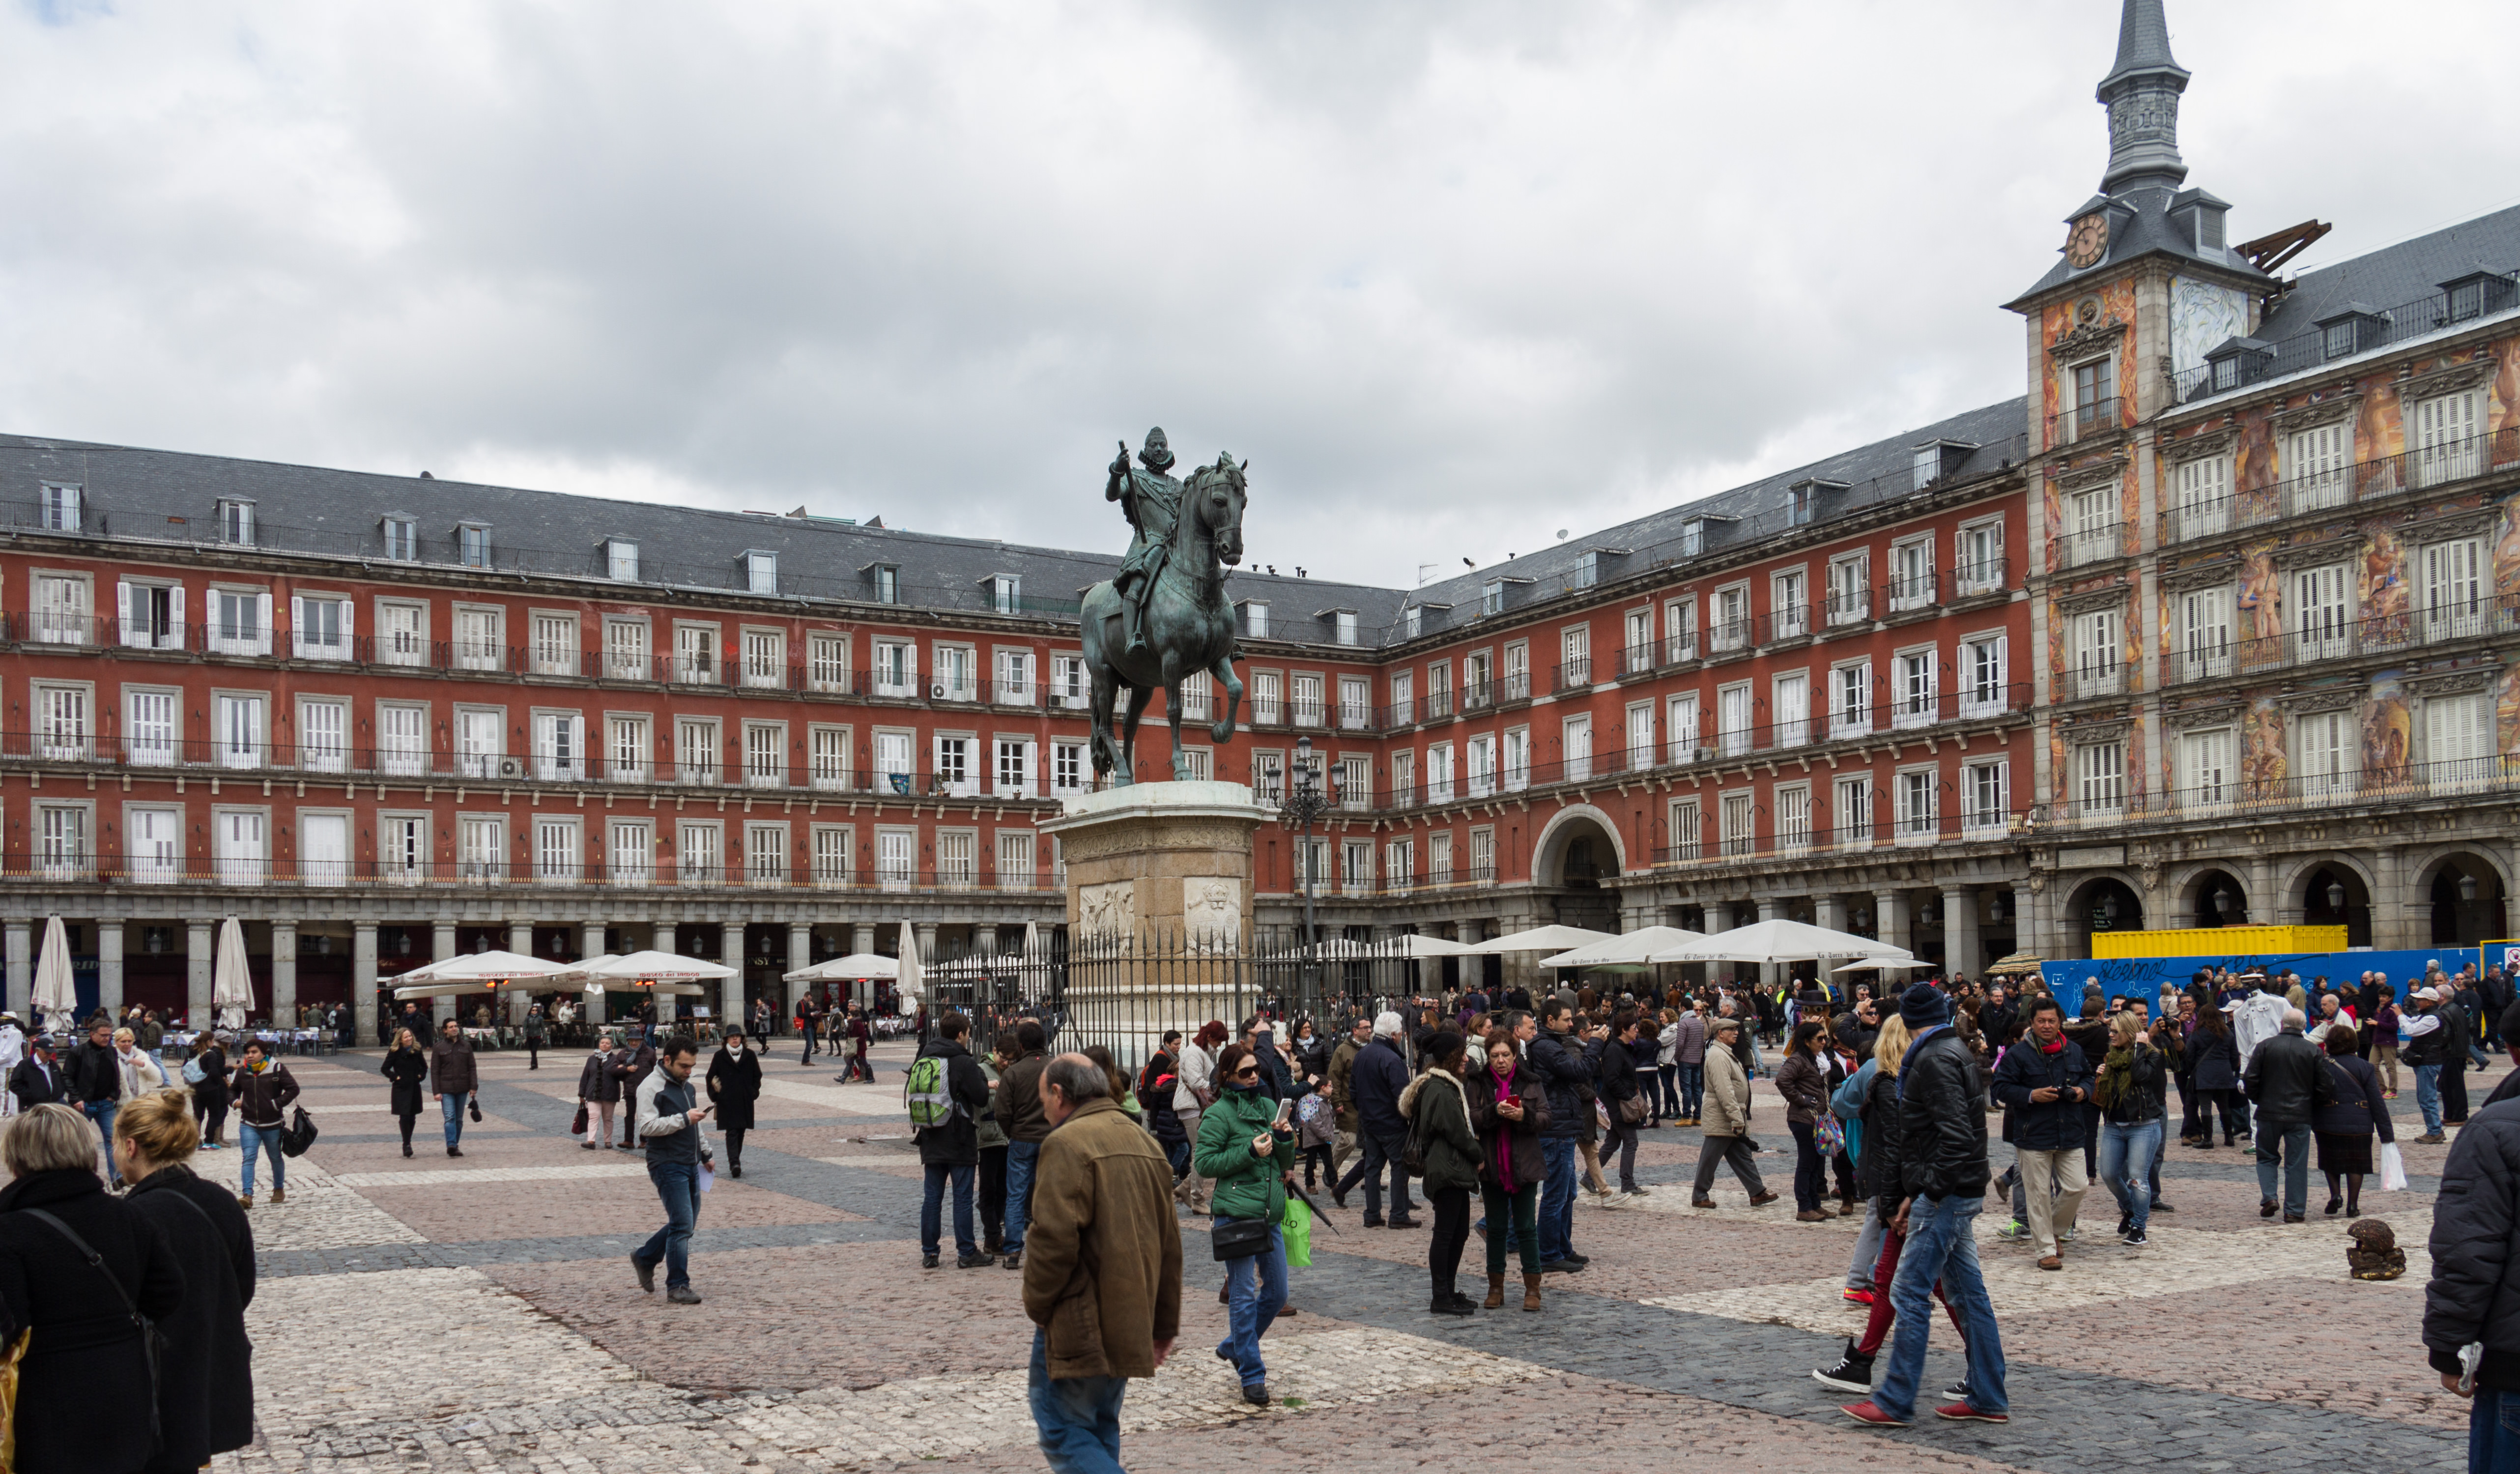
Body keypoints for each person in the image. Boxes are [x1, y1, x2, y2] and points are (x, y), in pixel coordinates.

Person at [1844, 983, 2007, 1428]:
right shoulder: (1952, 1049)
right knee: (1968, 1295)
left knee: (1908, 1291)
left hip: (1947, 1194)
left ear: (1909, 1021)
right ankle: (1988, 1395)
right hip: (1954, 1188)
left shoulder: (1933, 1058)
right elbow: (1948, 1135)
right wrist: (1918, 1192)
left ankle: (1896, 1398)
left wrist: (1927, 1192)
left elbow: (1955, 1136)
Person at [0, 1102, 188, 1474]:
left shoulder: (10, 1231)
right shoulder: (128, 1214)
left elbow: (9, 1323)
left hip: (47, 1399)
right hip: (125, 1386)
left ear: (18, 1158)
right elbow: (169, 1289)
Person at [1023, 1052, 1182, 1472]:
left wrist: (1038, 1304)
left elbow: (1053, 1240)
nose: (1043, 1110)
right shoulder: (1144, 1141)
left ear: (1059, 1093)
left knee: (1062, 1429)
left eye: (1043, 1099)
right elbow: (1170, 1246)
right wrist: (1163, 1324)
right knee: (1099, 1427)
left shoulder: (1067, 1142)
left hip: (1080, 1317)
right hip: (1130, 1316)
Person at [115, 1089, 257, 1474]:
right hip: (210, 1365)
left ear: (131, 1146)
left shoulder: (132, 1216)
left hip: (153, 1379)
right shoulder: (221, 1200)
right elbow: (242, 1287)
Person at [1195, 1041, 1293, 1407]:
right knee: (1242, 1294)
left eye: (1257, 1070)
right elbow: (1205, 1163)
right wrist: (1249, 1151)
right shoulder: (1218, 1114)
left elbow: (1284, 1159)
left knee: (1278, 1292)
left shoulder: (1267, 1106)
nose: (1254, 1077)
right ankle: (1252, 1373)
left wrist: (1284, 1138)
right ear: (1227, 1076)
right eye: (1245, 1072)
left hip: (1268, 1212)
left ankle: (1235, 1346)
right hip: (1236, 1213)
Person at [1990, 997, 2090, 1272]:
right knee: (2038, 1196)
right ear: (2032, 1023)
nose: (2047, 1026)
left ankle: (2054, 1229)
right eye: (2041, 1021)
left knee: (2078, 1186)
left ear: (2060, 1022)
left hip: (2070, 1131)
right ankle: (2046, 1250)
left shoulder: (2074, 1051)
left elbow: (2088, 1077)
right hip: (2033, 1134)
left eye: (2052, 1021)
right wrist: (2031, 1095)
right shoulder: (2018, 1055)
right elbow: (2000, 1088)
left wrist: (2083, 1090)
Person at [1466, 1026, 1550, 1311]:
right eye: (1495, 1056)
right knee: (1496, 1228)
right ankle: (1495, 1287)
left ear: (1515, 1055)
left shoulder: (1531, 1082)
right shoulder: (1477, 1083)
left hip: (1525, 1163)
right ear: (1488, 1057)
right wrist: (1494, 1111)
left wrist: (1523, 1115)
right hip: (1492, 1165)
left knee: (1526, 1227)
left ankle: (1533, 1289)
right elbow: (1472, 1118)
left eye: (1505, 1055)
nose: (1500, 1060)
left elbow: (1546, 1117)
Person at [629, 1036, 714, 1304]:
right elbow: (646, 1127)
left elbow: (695, 1123)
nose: (689, 1071)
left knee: (684, 1224)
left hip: (690, 1163)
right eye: (684, 1066)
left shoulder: (687, 1087)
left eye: (692, 1066)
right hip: (666, 1164)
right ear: (667, 1060)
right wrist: (684, 1119)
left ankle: (645, 1257)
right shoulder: (650, 1087)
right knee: (682, 1225)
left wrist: (705, 1153)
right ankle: (678, 1286)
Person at [1403, 1031, 1480, 1316]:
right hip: (1447, 1168)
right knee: (1446, 1234)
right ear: (1449, 1058)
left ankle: (1449, 1290)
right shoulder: (1440, 1089)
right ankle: (1440, 1297)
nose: (1466, 1059)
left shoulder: (1446, 1085)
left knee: (1459, 1233)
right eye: (1461, 1054)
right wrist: (1478, 1154)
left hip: (1453, 1167)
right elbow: (1456, 1132)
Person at [910, 1011, 994, 1270]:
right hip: (959, 1137)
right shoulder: (963, 1062)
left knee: (932, 1198)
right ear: (960, 1035)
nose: (969, 1037)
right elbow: (981, 1097)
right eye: (968, 1033)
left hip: (931, 1135)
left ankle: (930, 1253)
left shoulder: (925, 1056)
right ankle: (966, 1252)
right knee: (962, 1198)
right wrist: (983, 1080)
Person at [2244, 1007, 2337, 1224]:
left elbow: (2251, 1078)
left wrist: (2259, 1099)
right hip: (2300, 1114)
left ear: (2282, 1024)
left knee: (2266, 1156)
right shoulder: (2312, 1051)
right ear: (2304, 1027)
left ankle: (2270, 1197)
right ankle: (2294, 1210)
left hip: (2269, 1111)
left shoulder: (2265, 1046)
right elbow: (2326, 1084)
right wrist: (2313, 1103)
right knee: (2296, 1163)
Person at [1334, 1011, 1418, 1229]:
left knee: (1373, 1167)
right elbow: (1403, 1096)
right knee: (1399, 1167)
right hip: (1391, 1124)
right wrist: (1406, 1117)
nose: (1401, 1037)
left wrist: (1365, 1111)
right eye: (1400, 1034)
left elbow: (1353, 1091)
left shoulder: (1363, 1054)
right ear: (1393, 1035)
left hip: (1370, 1122)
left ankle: (1372, 1214)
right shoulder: (1392, 1059)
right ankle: (1398, 1214)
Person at [1526, 1001, 1592, 1267]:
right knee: (1556, 1195)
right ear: (1550, 1021)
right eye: (1567, 1020)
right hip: (1556, 1130)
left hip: (1563, 1127)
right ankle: (1549, 1254)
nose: (1572, 1024)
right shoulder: (1547, 1046)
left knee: (1568, 1194)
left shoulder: (1551, 1044)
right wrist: (1596, 1044)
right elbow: (1581, 1071)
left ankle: (1563, 1248)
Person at [2093, 1011, 2166, 1246]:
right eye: (2110, 1031)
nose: (2111, 1035)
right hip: (2115, 1125)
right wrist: (2101, 1076)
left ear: (2129, 1033)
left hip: (2143, 1126)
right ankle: (2130, 1209)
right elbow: (2104, 1095)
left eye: (2115, 1031)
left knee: (2137, 1179)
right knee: (2109, 1175)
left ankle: (2139, 1228)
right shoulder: (2111, 1058)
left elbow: (2139, 1075)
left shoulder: (2151, 1055)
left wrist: (2139, 1048)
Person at [1691, 1014, 1777, 1208]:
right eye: (1732, 1030)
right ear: (1721, 1033)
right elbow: (1725, 1090)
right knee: (1710, 1159)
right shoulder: (1718, 1056)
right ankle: (1699, 1195)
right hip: (1722, 1117)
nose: (1737, 1033)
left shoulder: (1724, 1053)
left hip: (1729, 1116)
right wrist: (1737, 1118)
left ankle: (1757, 1192)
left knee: (1742, 1155)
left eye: (1737, 1029)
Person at [2314, 1022, 2391, 1218]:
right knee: (2357, 1165)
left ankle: (2336, 1195)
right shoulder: (2365, 1067)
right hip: (2360, 1124)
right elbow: (2376, 1101)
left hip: (2328, 1121)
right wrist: (2387, 1134)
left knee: (2330, 1160)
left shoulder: (2323, 1065)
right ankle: (2353, 1205)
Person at [997, 1019, 1051, 1271]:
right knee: (1050, 1193)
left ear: (1020, 1046)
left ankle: (1013, 1250)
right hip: (1051, 1138)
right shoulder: (1057, 1068)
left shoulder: (1013, 1073)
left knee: (1016, 1195)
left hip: (1021, 1138)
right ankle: (1049, 1247)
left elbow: (1002, 1111)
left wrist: (1012, 1131)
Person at [1776, 1019, 1835, 1222]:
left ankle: (1815, 1205)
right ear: (1807, 1041)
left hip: (1817, 1119)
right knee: (1807, 1163)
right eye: (1819, 1039)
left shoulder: (1817, 1059)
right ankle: (1804, 1207)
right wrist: (1800, 1099)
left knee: (1817, 1164)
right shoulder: (1798, 1059)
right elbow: (1782, 1079)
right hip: (1803, 1119)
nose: (1824, 1042)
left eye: (1825, 1038)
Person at [229, 1039, 299, 1208]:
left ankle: (279, 1188)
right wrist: (234, 1102)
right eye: (248, 1053)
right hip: (249, 1123)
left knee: (275, 1157)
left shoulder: (276, 1069)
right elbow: (232, 1090)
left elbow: (293, 1089)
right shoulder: (243, 1071)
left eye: (254, 1052)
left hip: (272, 1124)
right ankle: (247, 1195)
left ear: (263, 1053)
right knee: (248, 1158)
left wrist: (276, 1104)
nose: (250, 1056)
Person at [63, 1016, 124, 1182]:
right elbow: (67, 1077)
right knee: (77, 1142)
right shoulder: (78, 1052)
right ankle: (76, 1178)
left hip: (106, 1104)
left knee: (113, 1140)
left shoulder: (111, 1051)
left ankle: (117, 1177)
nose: (107, 1038)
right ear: (92, 1034)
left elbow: (116, 1074)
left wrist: (115, 1094)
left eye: (109, 1035)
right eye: (103, 1035)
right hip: (83, 1104)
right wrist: (76, 1098)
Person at [1597, 1010, 1647, 1201]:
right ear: (1624, 1030)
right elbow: (1612, 1080)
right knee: (1631, 1142)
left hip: (1617, 1103)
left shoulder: (1623, 1048)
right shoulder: (1614, 1050)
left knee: (1612, 1142)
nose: (1637, 1030)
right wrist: (1628, 1098)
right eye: (1634, 1027)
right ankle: (1627, 1183)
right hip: (1617, 1105)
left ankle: (1589, 1178)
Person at [705, 1027, 763, 1179]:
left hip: (745, 1100)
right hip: (727, 1101)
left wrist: (753, 1092)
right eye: (732, 1037)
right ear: (726, 1040)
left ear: (742, 1038)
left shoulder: (749, 1055)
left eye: (737, 1036)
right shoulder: (720, 1056)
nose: (735, 1039)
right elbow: (710, 1077)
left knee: (741, 1132)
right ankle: (735, 1163)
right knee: (731, 1132)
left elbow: (757, 1075)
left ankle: (735, 1159)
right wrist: (715, 1096)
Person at [977, 1036, 1013, 1257]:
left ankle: (995, 1236)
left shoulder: (1011, 1072)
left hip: (1007, 1138)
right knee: (988, 1190)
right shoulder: (981, 1070)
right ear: (994, 1051)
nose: (1006, 1062)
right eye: (1003, 1058)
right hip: (989, 1139)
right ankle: (991, 1236)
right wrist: (986, 1086)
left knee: (1003, 1190)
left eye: (1011, 1059)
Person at [1324, 1014, 1369, 1184]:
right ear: (1355, 1030)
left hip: (1368, 1104)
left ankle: (1371, 1179)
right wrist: (1336, 1101)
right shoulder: (1342, 1051)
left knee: (1371, 1145)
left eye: (1370, 1027)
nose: (1369, 1031)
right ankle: (1331, 1170)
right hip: (1349, 1104)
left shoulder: (1371, 1048)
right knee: (1349, 1141)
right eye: (1365, 1028)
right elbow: (1334, 1077)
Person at [429, 1017, 479, 1158]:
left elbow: (472, 1067)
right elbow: (435, 1071)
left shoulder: (466, 1046)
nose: (454, 1029)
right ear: (445, 1030)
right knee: (450, 1117)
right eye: (451, 1027)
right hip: (446, 1088)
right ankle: (451, 1144)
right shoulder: (439, 1047)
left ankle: (455, 1145)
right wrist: (436, 1091)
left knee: (459, 1120)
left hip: (462, 1087)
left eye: (456, 1026)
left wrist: (473, 1087)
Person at [381, 1027, 429, 1158]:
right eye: (406, 1037)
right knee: (404, 1116)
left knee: (412, 1116)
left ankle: (408, 1141)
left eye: (410, 1036)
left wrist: (420, 1076)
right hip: (401, 1088)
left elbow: (424, 1067)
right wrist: (395, 1077)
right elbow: (385, 1068)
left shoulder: (417, 1050)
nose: (409, 1039)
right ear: (400, 1040)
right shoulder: (395, 1052)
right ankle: (406, 1144)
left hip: (414, 1087)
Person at [183, 1032, 230, 1151]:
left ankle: (194, 1140)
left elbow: (184, 1069)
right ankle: (209, 1141)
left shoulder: (191, 1053)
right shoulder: (210, 1054)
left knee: (198, 1115)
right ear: (209, 1041)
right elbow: (215, 1072)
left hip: (195, 1088)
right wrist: (219, 1083)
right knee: (214, 1115)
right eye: (213, 1041)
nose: (213, 1043)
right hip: (210, 1089)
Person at [9, 1033, 66, 1116]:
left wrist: (58, 1093)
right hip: (32, 1108)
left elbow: (61, 1082)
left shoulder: (53, 1065)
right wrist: (32, 1095)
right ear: (37, 1051)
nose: (49, 1055)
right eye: (47, 1053)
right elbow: (14, 1085)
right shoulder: (25, 1065)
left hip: (52, 1106)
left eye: (51, 1053)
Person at [522, 1002, 548, 1071]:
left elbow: (543, 1029)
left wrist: (544, 1038)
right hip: (530, 1036)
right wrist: (524, 1037)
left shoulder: (540, 1019)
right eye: (533, 1010)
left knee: (534, 1050)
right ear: (531, 1011)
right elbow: (525, 1028)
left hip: (537, 1036)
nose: (534, 1012)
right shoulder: (528, 1018)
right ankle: (536, 1064)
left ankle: (533, 1065)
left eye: (536, 1010)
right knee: (532, 1051)